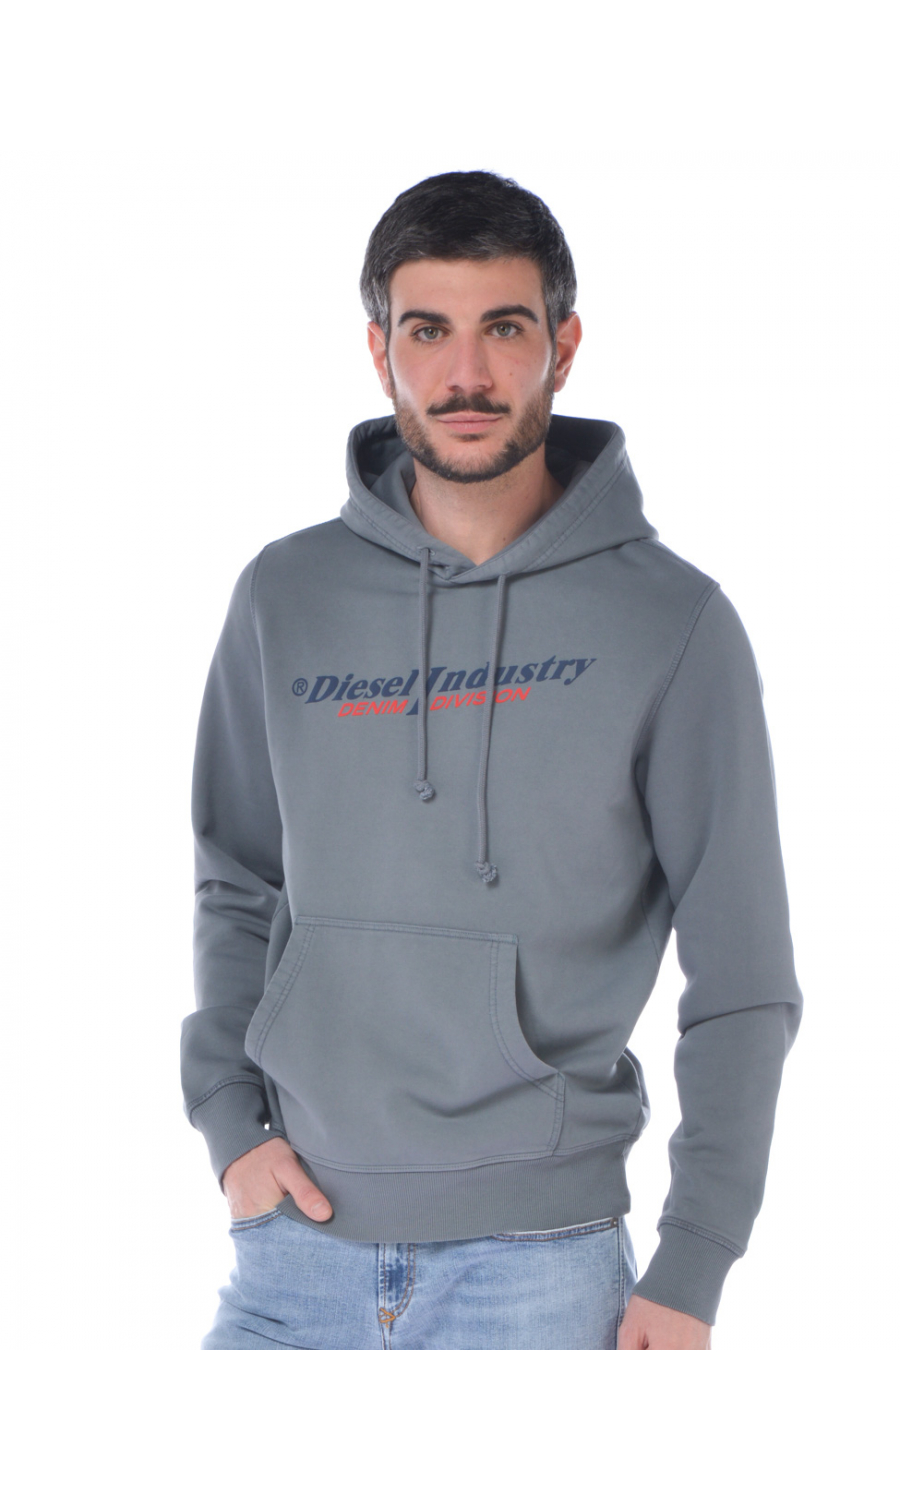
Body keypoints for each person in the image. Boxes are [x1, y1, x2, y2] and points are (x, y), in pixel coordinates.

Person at [181, 170, 803, 1350]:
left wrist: (695, 1262)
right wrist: (227, 1118)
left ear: (563, 346)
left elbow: (743, 976)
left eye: (504, 328)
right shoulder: (285, 594)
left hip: (540, 1269)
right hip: (290, 1248)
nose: (466, 375)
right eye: (429, 331)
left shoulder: (672, 624)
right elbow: (238, 877)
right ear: (381, 351)